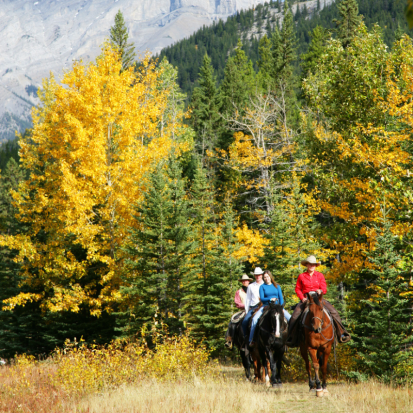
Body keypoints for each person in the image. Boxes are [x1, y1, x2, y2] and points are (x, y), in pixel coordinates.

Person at [286, 256, 351, 347]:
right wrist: (302, 298)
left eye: (314, 264)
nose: (312, 266)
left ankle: (342, 333)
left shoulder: (320, 275)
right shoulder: (302, 276)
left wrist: (321, 291)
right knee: (294, 316)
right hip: (306, 299)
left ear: (316, 265)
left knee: (334, 312)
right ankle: (291, 337)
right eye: (310, 264)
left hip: (318, 299)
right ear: (307, 265)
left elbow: (324, 288)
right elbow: (297, 289)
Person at [248, 270, 291, 347]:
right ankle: (252, 340)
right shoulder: (262, 287)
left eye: (267, 276)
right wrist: (270, 299)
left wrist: (281, 308)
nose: (266, 278)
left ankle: (290, 338)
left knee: (290, 318)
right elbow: (262, 298)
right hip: (266, 306)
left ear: (270, 276)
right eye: (265, 277)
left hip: (277, 307)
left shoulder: (277, 286)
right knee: (254, 320)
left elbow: (281, 298)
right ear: (263, 278)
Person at [225, 274, 253, 349]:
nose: (245, 282)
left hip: (254, 308)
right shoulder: (239, 292)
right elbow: (237, 303)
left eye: (246, 280)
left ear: (249, 281)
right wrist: (245, 305)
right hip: (243, 310)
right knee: (233, 321)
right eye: (243, 281)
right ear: (242, 282)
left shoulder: (253, 289)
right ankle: (230, 341)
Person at [241, 267, 265, 344]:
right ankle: (245, 339)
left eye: (259, 275)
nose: (258, 276)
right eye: (256, 275)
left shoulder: (266, 284)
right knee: (244, 322)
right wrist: (247, 310)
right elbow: (248, 299)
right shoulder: (251, 286)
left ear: (261, 275)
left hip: (265, 306)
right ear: (254, 276)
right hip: (254, 307)